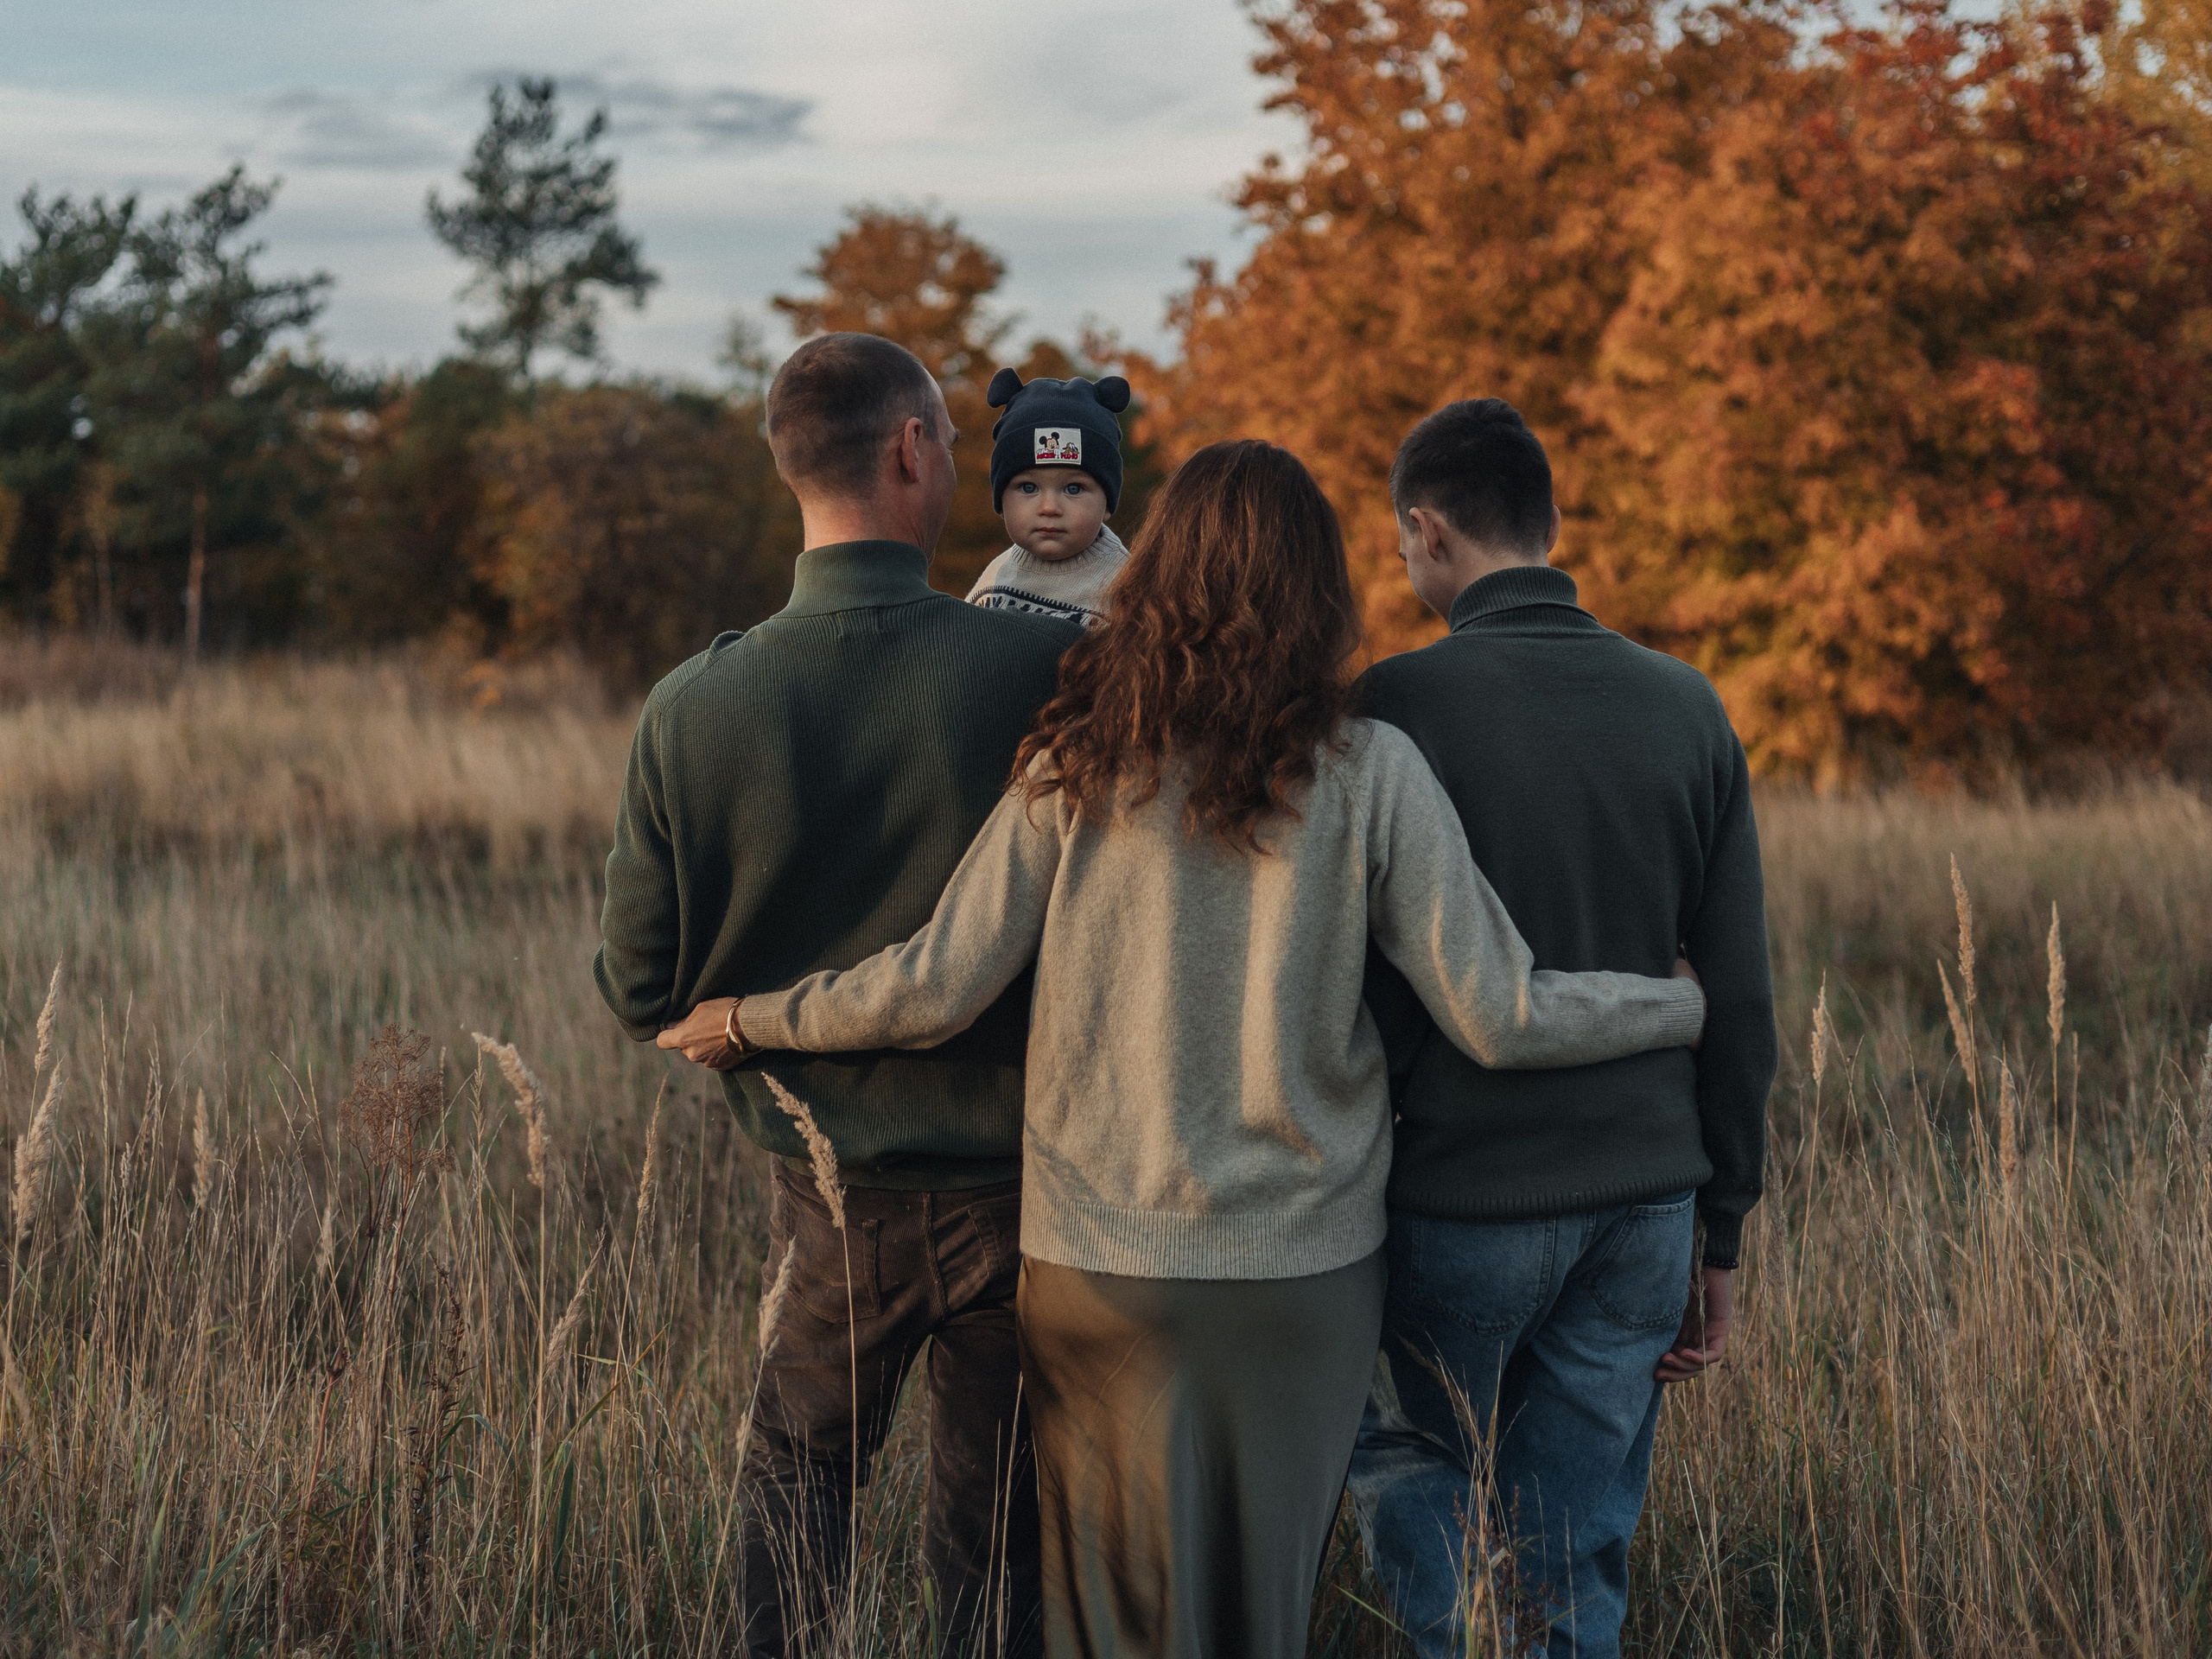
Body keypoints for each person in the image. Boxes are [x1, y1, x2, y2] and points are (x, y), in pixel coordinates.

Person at [658, 439, 1707, 1659]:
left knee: (1107, 1621)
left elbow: (933, 987)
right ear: (1320, 588)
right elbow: (1501, 1012)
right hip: (1303, 1277)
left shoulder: (1074, 759)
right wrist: (1677, 1004)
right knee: (1258, 1619)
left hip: (1097, 1263)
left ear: (1154, 573)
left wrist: (752, 1019)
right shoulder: (1371, 769)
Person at [595, 332, 1078, 1658]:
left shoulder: (692, 704)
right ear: (914, 449)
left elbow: (638, 981)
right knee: (998, 1545)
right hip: (1022, 1183)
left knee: (798, 1488)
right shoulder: (1041, 676)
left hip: (831, 1193)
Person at [1344, 399, 1780, 1659]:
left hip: (1458, 1197)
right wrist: (1725, 1229)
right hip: (1645, 1204)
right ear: (1550, 522)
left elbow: (1356, 986)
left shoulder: (1393, 707)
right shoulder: (1686, 704)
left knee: (1412, 1461)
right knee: (1575, 1546)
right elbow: (1737, 995)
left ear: (1425, 532)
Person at [965, 369, 1133, 628]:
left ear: (1107, 504)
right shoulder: (994, 581)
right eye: (1028, 487)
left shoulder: (1124, 590)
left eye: (1074, 489)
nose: (1050, 508)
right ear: (1001, 503)